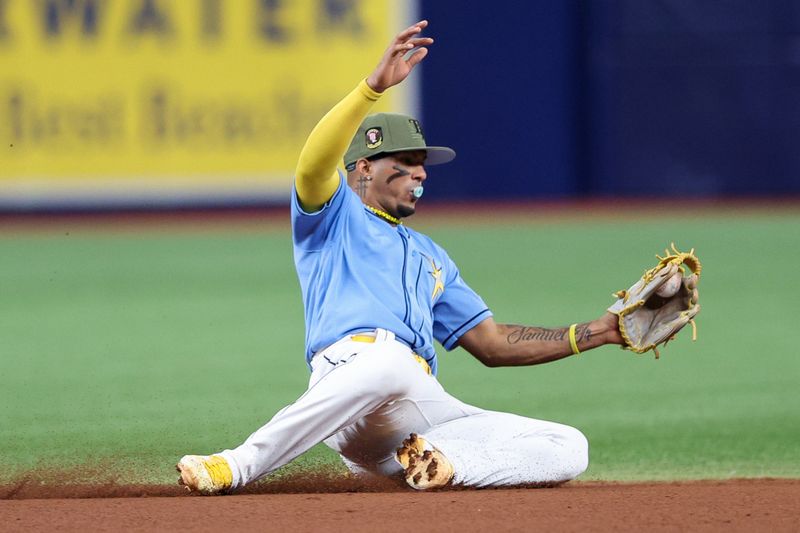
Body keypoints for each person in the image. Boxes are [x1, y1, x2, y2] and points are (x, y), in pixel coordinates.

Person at [176, 20, 624, 494]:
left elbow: (491, 344)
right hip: (351, 381)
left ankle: (445, 465)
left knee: (567, 444)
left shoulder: (432, 255)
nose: (419, 175)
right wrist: (372, 90)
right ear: (365, 167)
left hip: (414, 408)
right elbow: (312, 164)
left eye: (421, 167)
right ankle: (234, 466)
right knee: (388, 360)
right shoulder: (332, 216)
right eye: (405, 164)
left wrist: (599, 331)